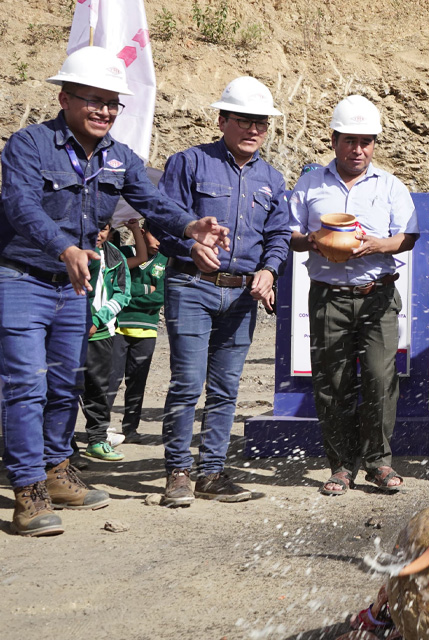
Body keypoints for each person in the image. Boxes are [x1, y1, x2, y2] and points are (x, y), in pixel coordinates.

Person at [0, 46, 228, 536]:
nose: (105, 111)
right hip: (19, 277)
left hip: (74, 284)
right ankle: (28, 493)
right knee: (28, 385)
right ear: (65, 97)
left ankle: (56, 470)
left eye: (113, 102)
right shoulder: (29, 144)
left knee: (66, 382)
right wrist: (62, 247)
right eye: (94, 99)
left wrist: (190, 225)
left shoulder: (119, 156)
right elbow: (20, 206)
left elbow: (153, 202)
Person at [155, 76, 290, 506]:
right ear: (222, 119)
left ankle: (211, 473)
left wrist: (269, 270)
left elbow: (279, 235)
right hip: (191, 286)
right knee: (186, 383)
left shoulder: (272, 178)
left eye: (262, 123)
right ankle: (178, 473)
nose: (254, 130)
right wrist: (190, 246)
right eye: (245, 120)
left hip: (241, 296)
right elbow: (162, 219)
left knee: (226, 387)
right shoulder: (189, 163)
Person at [288, 95, 419, 495]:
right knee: (333, 381)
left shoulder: (391, 186)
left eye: (366, 141)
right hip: (329, 297)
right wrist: (315, 239)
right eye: (349, 140)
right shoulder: (310, 183)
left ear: (374, 144)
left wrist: (375, 246)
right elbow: (290, 234)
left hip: (377, 295)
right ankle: (341, 466)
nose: (357, 149)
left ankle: (378, 462)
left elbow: (408, 236)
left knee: (380, 379)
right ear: (333, 140)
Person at [79, 223, 131, 462]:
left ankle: (97, 440)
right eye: (96, 227)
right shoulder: (69, 251)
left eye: (104, 228)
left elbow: (123, 293)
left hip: (101, 333)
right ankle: (65, 448)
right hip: (67, 332)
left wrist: (98, 320)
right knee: (64, 390)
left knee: (98, 389)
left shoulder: (114, 255)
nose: (99, 234)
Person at [113, 217, 166, 445]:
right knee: (110, 380)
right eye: (156, 236)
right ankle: (99, 430)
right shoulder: (123, 254)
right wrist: (144, 289)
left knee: (137, 382)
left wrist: (128, 296)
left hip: (147, 331)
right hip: (117, 328)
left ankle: (130, 429)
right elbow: (114, 286)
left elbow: (160, 296)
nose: (160, 243)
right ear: (143, 233)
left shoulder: (165, 261)